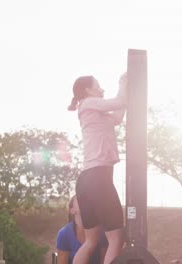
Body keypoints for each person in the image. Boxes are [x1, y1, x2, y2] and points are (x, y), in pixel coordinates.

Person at [67, 73, 127, 264]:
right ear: (88, 90)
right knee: (116, 239)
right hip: (99, 178)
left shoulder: (92, 112)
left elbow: (117, 117)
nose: (102, 90)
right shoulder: (88, 103)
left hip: (86, 181)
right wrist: (124, 82)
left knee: (91, 241)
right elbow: (120, 100)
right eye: (98, 86)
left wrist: (125, 90)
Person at [56, 196, 108, 264]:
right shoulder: (64, 234)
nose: (85, 201)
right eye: (80, 199)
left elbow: (103, 261)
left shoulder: (102, 232)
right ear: (72, 210)